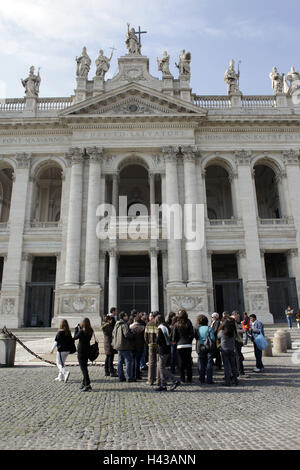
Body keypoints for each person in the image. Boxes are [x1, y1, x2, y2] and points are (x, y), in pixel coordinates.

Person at [155, 315, 180, 392]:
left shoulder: (160, 328)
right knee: (161, 367)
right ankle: (163, 384)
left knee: (161, 367)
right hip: (167, 348)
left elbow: (158, 340)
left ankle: (174, 380)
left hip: (162, 349)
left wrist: (155, 338)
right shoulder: (166, 327)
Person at [112, 312, 135, 382]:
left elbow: (113, 334)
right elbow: (126, 334)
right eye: (126, 316)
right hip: (124, 346)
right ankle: (129, 377)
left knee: (120, 362)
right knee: (128, 361)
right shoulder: (124, 325)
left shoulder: (116, 324)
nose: (127, 317)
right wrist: (133, 334)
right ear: (123, 317)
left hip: (118, 345)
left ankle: (120, 377)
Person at [172, 310, 194, 383]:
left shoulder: (176, 324)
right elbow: (192, 333)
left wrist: (175, 342)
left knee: (181, 362)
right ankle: (189, 378)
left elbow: (174, 336)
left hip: (180, 345)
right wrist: (189, 340)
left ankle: (182, 378)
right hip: (188, 344)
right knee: (188, 362)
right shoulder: (189, 322)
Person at [50, 319, 74, 383]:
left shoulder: (60, 332)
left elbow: (56, 341)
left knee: (58, 363)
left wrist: (52, 349)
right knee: (62, 363)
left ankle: (65, 372)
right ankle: (60, 377)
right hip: (67, 350)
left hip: (61, 350)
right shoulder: (68, 332)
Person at [194, 314, 215, 384]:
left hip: (200, 346)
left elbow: (196, 337)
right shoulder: (209, 328)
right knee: (209, 362)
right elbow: (212, 338)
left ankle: (201, 378)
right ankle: (209, 379)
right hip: (208, 346)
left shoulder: (198, 329)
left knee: (201, 362)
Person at [74, 318, 94, 392]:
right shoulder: (91, 331)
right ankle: (84, 382)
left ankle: (87, 384)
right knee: (85, 367)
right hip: (87, 349)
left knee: (83, 368)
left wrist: (76, 329)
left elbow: (75, 337)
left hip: (81, 350)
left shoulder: (82, 331)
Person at [218, 318, 239, 386]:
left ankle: (227, 381)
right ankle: (235, 380)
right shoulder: (233, 331)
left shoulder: (222, 331)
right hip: (232, 349)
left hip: (224, 350)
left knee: (226, 366)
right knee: (233, 366)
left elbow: (218, 336)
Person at [144, 311, 160, 385]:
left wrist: (148, 343)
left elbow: (145, 336)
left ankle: (150, 380)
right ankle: (158, 380)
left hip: (151, 345)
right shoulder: (159, 324)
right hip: (158, 345)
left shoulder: (148, 324)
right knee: (158, 362)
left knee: (151, 363)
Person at [130, 312, 146, 380]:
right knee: (138, 361)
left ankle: (133, 374)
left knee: (133, 360)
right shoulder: (143, 327)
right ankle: (137, 375)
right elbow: (145, 337)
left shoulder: (130, 327)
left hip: (133, 346)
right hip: (140, 345)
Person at [231, 312, 245, 376]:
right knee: (238, 356)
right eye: (237, 316)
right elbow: (234, 330)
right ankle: (240, 371)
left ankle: (237, 371)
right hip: (235, 340)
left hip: (237, 340)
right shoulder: (232, 322)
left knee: (238, 356)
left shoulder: (236, 322)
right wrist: (241, 330)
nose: (238, 317)